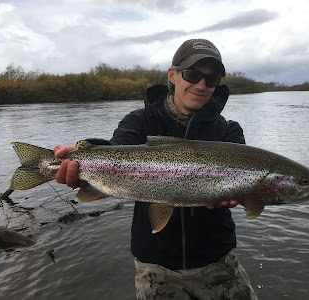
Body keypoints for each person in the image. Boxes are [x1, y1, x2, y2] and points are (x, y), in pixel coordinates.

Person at [54, 39, 258, 300]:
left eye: (211, 79)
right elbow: (119, 148)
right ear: (172, 75)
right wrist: (87, 159)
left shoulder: (228, 131)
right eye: (193, 74)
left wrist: (245, 194)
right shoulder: (139, 121)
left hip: (218, 261)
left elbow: (245, 187)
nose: (201, 85)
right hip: (155, 267)